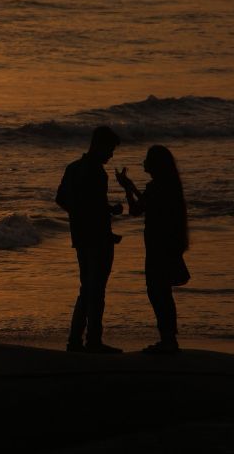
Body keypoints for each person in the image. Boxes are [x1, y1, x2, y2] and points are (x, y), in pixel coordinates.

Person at [115, 145, 190, 354]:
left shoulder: (158, 187)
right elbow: (139, 208)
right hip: (163, 245)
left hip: (159, 246)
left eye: (147, 159)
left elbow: (139, 209)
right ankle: (168, 338)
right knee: (161, 291)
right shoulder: (168, 186)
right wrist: (129, 188)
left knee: (158, 292)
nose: (143, 162)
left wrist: (129, 187)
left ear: (155, 164)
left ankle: (168, 340)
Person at [56, 126, 123, 353]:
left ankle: (75, 340)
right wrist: (105, 219)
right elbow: (94, 208)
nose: (111, 155)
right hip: (97, 239)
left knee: (87, 288)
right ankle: (93, 341)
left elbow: (62, 199)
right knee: (96, 291)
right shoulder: (97, 172)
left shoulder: (73, 168)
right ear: (99, 145)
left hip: (81, 237)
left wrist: (79, 215)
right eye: (110, 149)